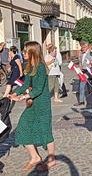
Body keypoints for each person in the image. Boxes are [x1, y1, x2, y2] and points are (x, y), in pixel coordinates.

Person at [8, 41, 56, 172]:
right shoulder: (29, 66)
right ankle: (35, 157)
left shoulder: (40, 67)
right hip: (33, 103)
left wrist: (23, 97)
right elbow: (24, 85)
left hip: (42, 104)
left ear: (32, 52)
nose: (22, 53)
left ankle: (52, 160)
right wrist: (14, 93)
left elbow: (39, 89)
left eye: (25, 51)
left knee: (45, 130)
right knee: (23, 126)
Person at [74, 40, 92, 106]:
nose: (82, 49)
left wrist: (84, 67)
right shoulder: (82, 53)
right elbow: (81, 62)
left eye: (84, 47)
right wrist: (80, 67)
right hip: (82, 72)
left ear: (87, 46)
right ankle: (82, 101)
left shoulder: (91, 53)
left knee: (85, 86)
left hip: (88, 72)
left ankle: (86, 100)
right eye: (82, 47)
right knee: (83, 86)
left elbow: (91, 63)